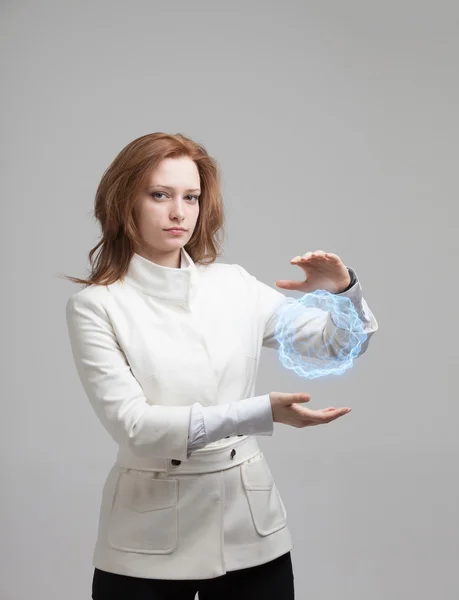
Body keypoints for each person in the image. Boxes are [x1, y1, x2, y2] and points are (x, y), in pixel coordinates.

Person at [64, 132, 379, 599]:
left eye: (190, 197)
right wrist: (260, 412)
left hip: (250, 529)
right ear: (123, 201)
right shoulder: (96, 306)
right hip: (146, 537)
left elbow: (336, 346)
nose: (179, 212)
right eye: (159, 195)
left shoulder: (233, 285)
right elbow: (135, 427)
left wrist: (344, 291)